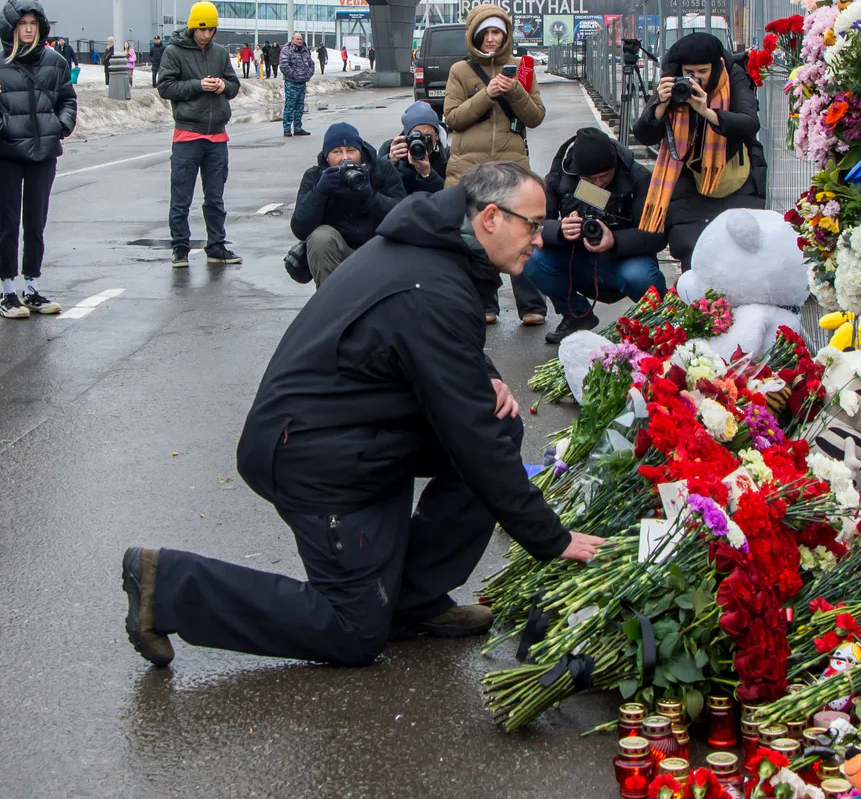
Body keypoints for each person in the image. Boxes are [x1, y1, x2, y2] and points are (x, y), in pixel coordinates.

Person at [120, 162, 604, 668]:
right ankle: (168, 584)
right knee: (353, 631)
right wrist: (553, 538)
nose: (540, 239)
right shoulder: (432, 284)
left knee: (499, 420)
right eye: (533, 224)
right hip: (312, 456)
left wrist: (477, 371)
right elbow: (471, 437)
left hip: (358, 431)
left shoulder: (434, 248)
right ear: (489, 218)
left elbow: (413, 340)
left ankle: (408, 603)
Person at [443, 4, 547, 327]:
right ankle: (484, 302)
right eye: (485, 33)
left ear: (506, 35)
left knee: (522, 229)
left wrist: (515, 90)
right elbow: (453, 118)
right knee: (474, 233)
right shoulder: (460, 71)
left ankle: (532, 304)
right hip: (469, 167)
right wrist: (486, 94)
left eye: (496, 32)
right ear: (474, 35)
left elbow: (535, 116)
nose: (491, 39)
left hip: (511, 164)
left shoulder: (521, 68)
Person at [632, 32, 767, 272]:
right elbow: (644, 135)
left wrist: (707, 111)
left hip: (732, 173)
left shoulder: (732, 75)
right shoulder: (672, 81)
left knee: (738, 251)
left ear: (716, 66)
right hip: (687, 175)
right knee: (692, 250)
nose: (695, 80)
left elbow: (749, 123)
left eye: (703, 72)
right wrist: (660, 106)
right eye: (689, 73)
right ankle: (698, 306)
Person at [523, 127, 666, 344]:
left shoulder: (638, 178)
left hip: (623, 260)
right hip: (578, 257)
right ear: (579, 173)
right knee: (532, 259)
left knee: (639, 276)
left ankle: (662, 321)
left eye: (604, 177)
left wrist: (615, 239)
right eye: (590, 180)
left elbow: (656, 235)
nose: (598, 183)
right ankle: (577, 315)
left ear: (615, 165)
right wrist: (561, 230)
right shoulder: (562, 174)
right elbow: (537, 222)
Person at [0, 0, 77, 320]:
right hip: (6, 152)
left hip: (43, 152)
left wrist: (61, 126)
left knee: (36, 222)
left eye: (33, 23)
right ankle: (7, 292)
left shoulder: (55, 61)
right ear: (11, 26)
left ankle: (31, 286)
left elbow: (67, 99)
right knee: (6, 223)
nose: (28, 29)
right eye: (22, 24)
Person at [156, 0, 242, 268]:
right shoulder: (173, 51)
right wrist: (198, 85)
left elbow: (234, 85)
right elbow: (166, 87)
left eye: (211, 30)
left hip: (217, 135)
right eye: (202, 30)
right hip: (188, 134)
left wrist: (222, 86)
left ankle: (216, 245)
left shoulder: (220, 53)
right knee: (181, 196)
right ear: (193, 28)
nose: (207, 35)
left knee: (215, 197)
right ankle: (180, 247)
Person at [291, 122, 407, 287]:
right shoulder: (315, 176)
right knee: (320, 237)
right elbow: (300, 229)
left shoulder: (381, 169)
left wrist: (370, 197)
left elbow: (403, 218)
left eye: (351, 151)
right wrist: (319, 192)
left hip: (378, 249)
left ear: (360, 151)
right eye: (337, 152)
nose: (345, 158)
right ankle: (330, 304)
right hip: (339, 251)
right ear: (327, 156)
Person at [379, 100, 447, 195]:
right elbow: (376, 187)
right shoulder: (390, 148)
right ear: (406, 136)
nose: (421, 142)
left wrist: (427, 174)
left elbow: (447, 196)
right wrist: (389, 161)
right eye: (417, 136)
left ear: (437, 136)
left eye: (427, 137)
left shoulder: (445, 155)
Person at [279, 32, 315, 138]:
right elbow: (284, 66)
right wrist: (295, 76)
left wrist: (308, 75)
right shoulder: (287, 50)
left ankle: (298, 128)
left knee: (299, 107)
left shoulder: (305, 51)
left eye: (301, 39)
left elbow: (311, 64)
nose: (299, 41)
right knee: (290, 106)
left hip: (302, 83)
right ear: (292, 39)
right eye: (297, 39)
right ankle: (287, 129)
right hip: (291, 83)